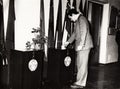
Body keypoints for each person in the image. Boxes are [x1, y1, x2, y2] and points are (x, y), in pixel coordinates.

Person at [64, 9, 93, 88]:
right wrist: (68, 42)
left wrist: (81, 44)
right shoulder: (78, 21)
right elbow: (75, 33)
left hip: (84, 46)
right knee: (80, 64)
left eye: (70, 18)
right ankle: (80, 81)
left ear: (73, 14)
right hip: (82, 46)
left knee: (82, 65)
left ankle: (80, 83)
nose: (71, 20)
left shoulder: (82, 19)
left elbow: (84, 31)